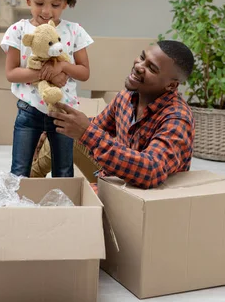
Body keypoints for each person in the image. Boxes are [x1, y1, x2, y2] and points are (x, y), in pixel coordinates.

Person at [49, 40, 195, 190]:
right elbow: (98, 126)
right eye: (142, 57)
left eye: (152, 68)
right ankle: (24, 185)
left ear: (171, 85)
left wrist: (86, 132)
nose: (139, 66)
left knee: (73, 203)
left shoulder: (178, 118)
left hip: (144, 196)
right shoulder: (127, 96)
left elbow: (150, 171)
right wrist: (54, 123)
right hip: (118, 178)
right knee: (59, 132)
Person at [1, 0, 93, 178]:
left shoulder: (74, 31)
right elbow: (11, 73)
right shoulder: (18, 30)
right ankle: (16, 211)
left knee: (64, 170)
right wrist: (46, 73)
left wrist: (62, 66)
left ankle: (63, 211)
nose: (47, 11)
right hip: (28, 110)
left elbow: (84, 73)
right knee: (20, 170)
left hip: (63, 111)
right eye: (40, 3)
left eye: (55, 4)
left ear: (66, 3)